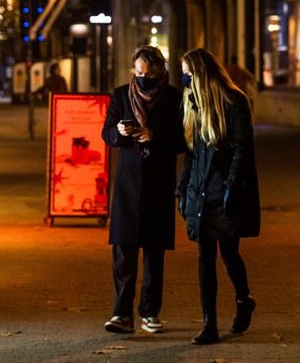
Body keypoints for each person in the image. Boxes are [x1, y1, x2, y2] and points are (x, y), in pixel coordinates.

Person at [177, 48, 261, 344]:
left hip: (223, 191)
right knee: (204, 256)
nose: (185, 78)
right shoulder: (191, 104)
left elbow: (242, 149)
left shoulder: (234, 101)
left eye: (189, 72)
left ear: (202, 72)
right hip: (200, 191)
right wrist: (182, 188)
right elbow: (190, 153)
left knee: (228, 252)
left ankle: (242, 299)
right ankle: (209, 323)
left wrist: (231, 187)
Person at [101, 46, 185, 335]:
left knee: (154, 253)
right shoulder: (122, 94)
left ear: (161, 71)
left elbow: (183, 139)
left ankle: (150, 312)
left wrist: (156, 136)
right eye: (138, 73)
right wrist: (120, 133)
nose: (143, 79)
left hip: (158, 184)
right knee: (123, 252)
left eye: (149, 74)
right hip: (127, 185)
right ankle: (121, 314)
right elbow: (106, 132)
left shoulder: (174, 97)